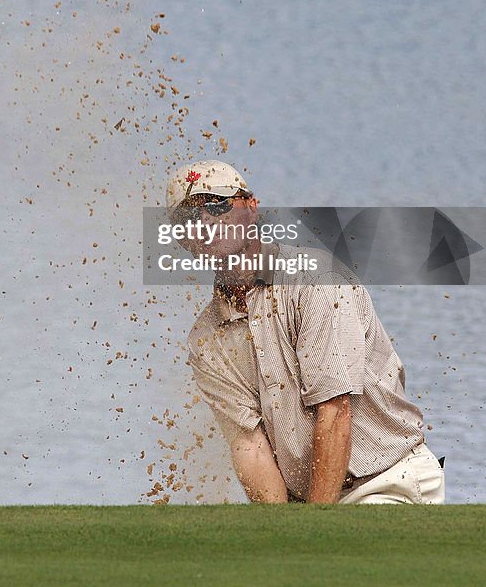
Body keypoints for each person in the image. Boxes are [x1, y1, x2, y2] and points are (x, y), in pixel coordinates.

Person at [166, 160, 445, 504]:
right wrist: (284, 535)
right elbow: (250, 447)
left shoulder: (315, 281)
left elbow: (335, 410)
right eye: (190, 218)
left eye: (218, 205)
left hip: (386, 482)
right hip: (312, 501)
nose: (206, 222)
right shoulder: (206, 340)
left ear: (251, 208)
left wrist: (312, 531)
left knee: (337, 555)